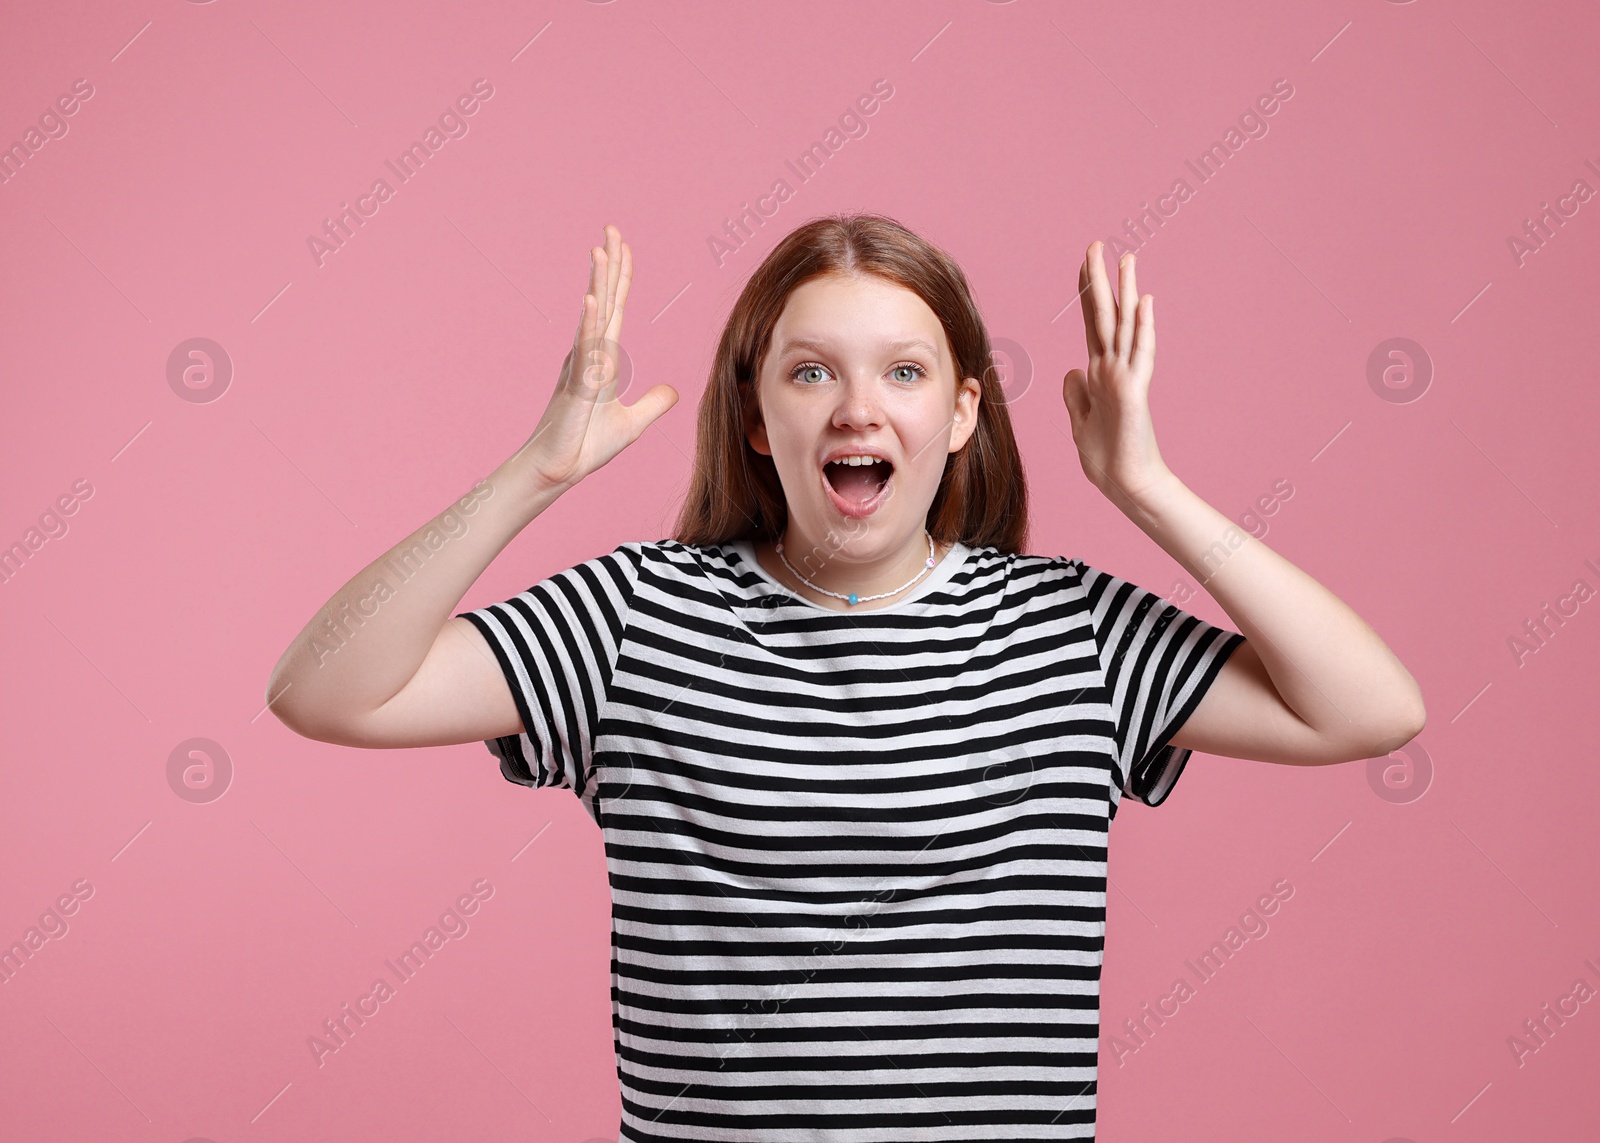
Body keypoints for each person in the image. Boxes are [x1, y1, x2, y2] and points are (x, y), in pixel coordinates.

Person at [265, 215, 1426, 1139]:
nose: (858, 408)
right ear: (759, 419)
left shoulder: (1067, 629)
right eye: (811, 373)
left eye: (906, 372)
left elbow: (1372, 710)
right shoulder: (637, 618)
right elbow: (325, 690)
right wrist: (531, 473)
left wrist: (1148, 492)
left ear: (964, 411)